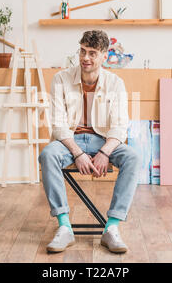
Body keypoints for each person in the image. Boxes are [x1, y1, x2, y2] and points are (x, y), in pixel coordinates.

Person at [38, 30, 141, 253]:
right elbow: (58, 125)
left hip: (103, 141)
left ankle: (111, 228)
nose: (86, 58)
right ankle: (64, 226)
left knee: (132, 157)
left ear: (104, 56)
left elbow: (120, 126)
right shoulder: (61, 79)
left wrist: (104, 153)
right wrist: (77, 153)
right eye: (83, 51)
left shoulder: (116, 83)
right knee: (47, 154)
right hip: (70, 141)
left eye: (92, 53)